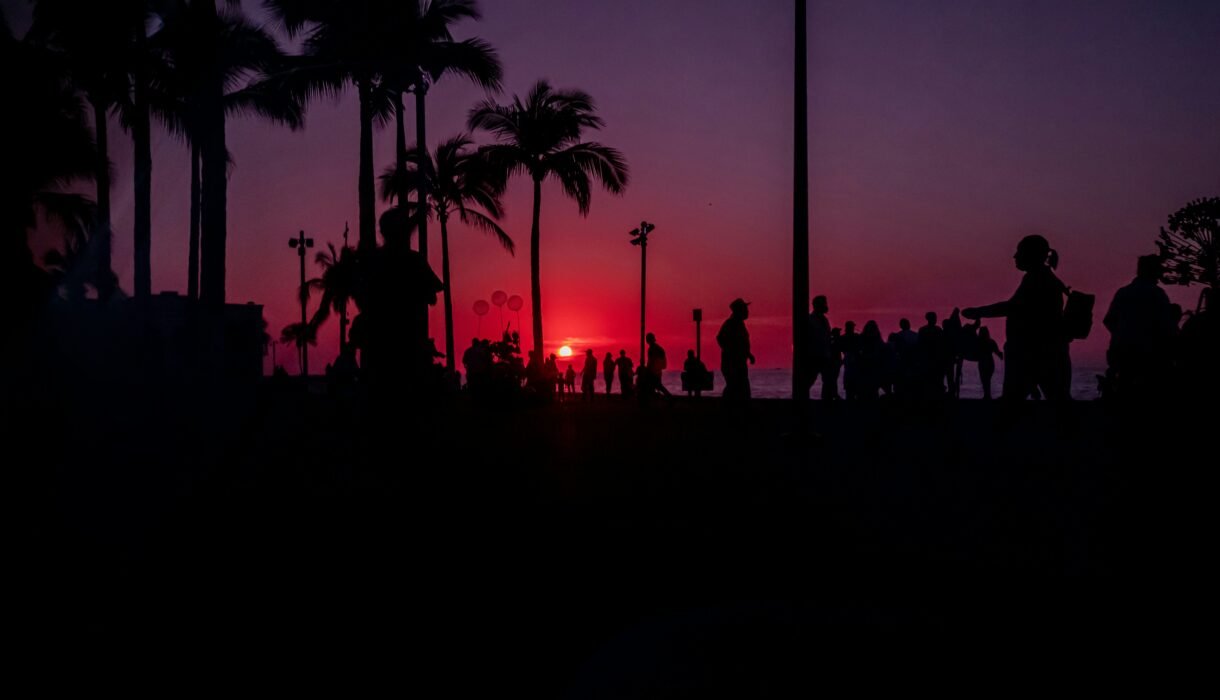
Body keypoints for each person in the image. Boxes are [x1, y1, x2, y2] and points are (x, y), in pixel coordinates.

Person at [963, 234, 1070, 401]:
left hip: (1033, 354)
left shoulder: (1038, 279)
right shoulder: (1044, 278)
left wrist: (979, 311)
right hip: (1045, 352)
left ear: (1031, 254)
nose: (1015, 256)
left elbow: (1012, 307)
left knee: (1011, 407)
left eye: (1019, 251)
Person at [352, 208, 443, 397]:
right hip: (408, 346)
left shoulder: (372, 261)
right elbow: (433, 295)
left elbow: (361, 296)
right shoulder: (414, 260)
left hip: (377, 348)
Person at [1102, 255, 1176, 400]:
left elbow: (1108, 320)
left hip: (1121, 351)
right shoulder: (1157, 294)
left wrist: (1121, 335)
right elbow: (1167, 327)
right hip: (1148, 355)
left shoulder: (1123, 292)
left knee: (1124, 391)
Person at [716, 298, 755, 400]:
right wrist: (732, 353)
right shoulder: (730, 324)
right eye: (745, 309)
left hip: (739, 363)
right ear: (739, 310)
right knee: (736, 388)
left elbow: (741, 344)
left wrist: (748, 354)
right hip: (732, 364)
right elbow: (720, 339)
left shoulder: (739, 324)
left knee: (739, 389)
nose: (747, 311)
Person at [806, 295, 838, 400]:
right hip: (814, 355)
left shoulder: (824, 320)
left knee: (828, 379)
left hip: (824, 355)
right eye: (824, 303)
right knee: (810, 379)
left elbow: (825, 337)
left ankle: (827, 399)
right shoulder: (810, 320)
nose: (826, 305)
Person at [641, 332, 673, 400]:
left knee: (654, 385)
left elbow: (652, 360)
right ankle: (668, 398)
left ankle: (669, 398)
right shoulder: (657, 348)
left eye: (647, 339)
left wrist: (648, 369)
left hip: (653, 370)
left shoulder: (653, 348)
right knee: (657, 385)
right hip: (657, 370)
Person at [976, 326, 1003, 400]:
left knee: (984, 380)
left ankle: (987, 395)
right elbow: (997, 352)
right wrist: (1001, 355)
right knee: (987, 379)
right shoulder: (991, 342)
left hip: (982, 362)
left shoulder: (978, 342)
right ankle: (987, 395)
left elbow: (975, 352)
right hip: (990, 362)